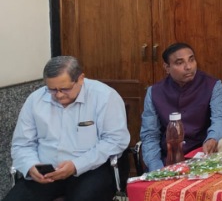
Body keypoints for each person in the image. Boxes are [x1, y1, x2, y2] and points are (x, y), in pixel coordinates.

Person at [4, 56, 130, 201]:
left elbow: (115, 141)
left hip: (90, 169)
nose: (59, 95)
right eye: (52, 90)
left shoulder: (104, 97)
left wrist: (76, 165)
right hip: (46, 173)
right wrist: (30, 166)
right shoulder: (35, 100)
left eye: (65, 89)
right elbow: (22, 144)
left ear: (80, 79)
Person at [140, 42, 222, 171]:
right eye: (180, 63)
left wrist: (213, 138)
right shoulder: (154, 92)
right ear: (167, 67)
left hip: (202, 156)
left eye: (191, 60)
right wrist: (156, 168)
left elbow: (219, 119)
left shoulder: (212, 85)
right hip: (168, 159)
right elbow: (150, 135)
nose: (188, 67)